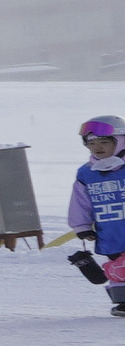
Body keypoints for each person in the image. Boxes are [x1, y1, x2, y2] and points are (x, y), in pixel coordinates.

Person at [68, 116, 125, 315]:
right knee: (118, 268)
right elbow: (80, 202)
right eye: (91, 143)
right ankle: (122, 301)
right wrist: (82, 226)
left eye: (104, 142)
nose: (97, 147)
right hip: (110, 231)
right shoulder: (87, 173)